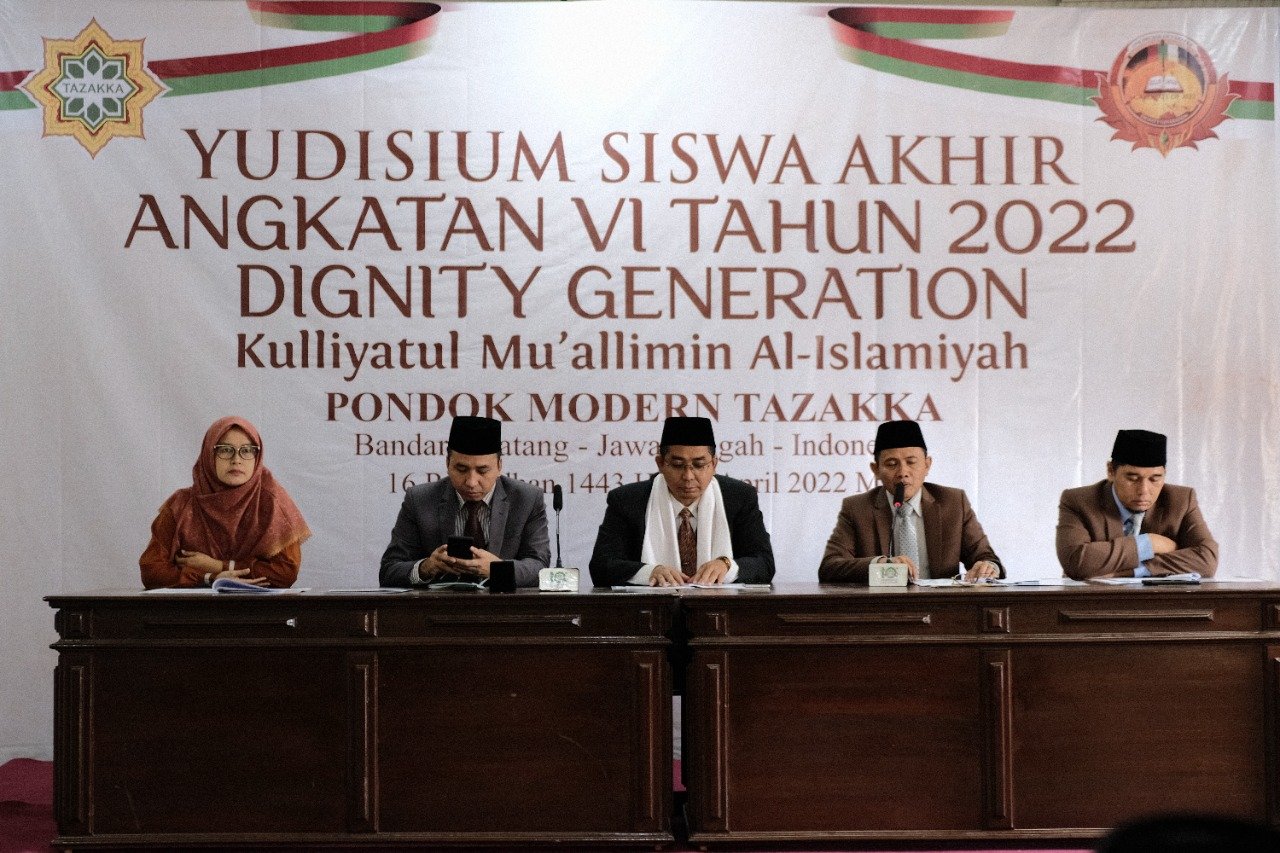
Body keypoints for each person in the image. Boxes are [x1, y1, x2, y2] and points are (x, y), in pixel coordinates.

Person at [589, 416, 775, 587]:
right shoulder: (627, 500)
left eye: (699, 465)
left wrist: (726, 565)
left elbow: (764, 564)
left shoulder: (739, 497)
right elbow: (601, 566)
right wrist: (649, 572)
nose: (688, 476)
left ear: (714, 465)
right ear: (661, 464)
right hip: (650, 609)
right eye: (678, 465)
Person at [819, 420, 1002, 583]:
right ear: (876, 470)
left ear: (927, 465)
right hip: (883, 606)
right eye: (892, 464)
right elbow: (829, 567)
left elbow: (987, 558)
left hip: (940, 606)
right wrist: (881, 564)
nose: (903, 472)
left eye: (911, 462)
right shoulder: (857, 508)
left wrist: (987, 567)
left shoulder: (953, 503)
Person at [140, 416, 310, 588]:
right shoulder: (181, 505)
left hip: (257, 605)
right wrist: (209, 577)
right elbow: (151, 571)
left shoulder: (272, 503)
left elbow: (285, 572)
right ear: (209, 454)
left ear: (257, 457)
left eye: (247, 450)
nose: (236, 459)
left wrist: (219, 566)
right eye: (226, 450)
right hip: (195, 605)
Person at [380, 416, 550, 587]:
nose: (471, 482)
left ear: (499, 466)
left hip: (502, 602)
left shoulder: (527, 499)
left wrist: (497, 569)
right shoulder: (419, 500)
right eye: (461, 469)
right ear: (448, 463)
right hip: (440, 602)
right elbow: (389, 570)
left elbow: (540, 568)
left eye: (482, 471)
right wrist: (426, 567)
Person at [1056, 429, 1217, 579]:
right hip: (1093, 599)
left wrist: (1133, 571)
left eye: (1155, 479)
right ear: (1111, 471)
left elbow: (1207, 561)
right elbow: (1075, 562)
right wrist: (1150, 543)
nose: (1144, 491)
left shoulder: (1181, 500)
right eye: (1132, 478)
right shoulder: (1078, 501)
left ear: (1164, 474)